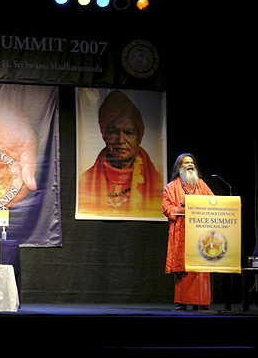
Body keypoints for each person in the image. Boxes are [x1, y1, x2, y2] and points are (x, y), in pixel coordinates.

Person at [79, 90, 163, 217]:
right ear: (104, 136)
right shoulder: (84, 182)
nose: (121, 140)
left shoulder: (158, 183)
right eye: (114, 132)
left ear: (139, 138)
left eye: (128, 133)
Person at [162, 153, 213, 310]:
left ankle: (202, 302)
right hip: (181, 233)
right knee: (183, 269)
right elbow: (166, 208)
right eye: (186, 163)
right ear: (179, 167)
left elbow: (212, 201)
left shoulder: (201, 185)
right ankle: (183, 302)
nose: (190, 165)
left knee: (201, 268)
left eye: (192, 162)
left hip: (200, 232)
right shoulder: (171, 188)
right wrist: (183, 206)